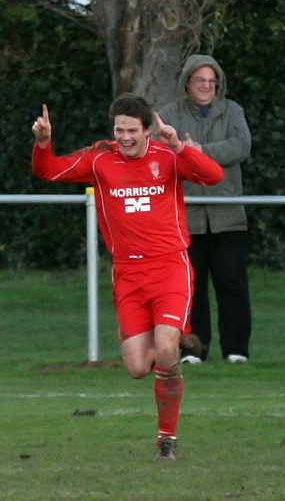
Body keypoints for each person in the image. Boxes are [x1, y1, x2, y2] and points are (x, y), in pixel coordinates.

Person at [31, 94, 224, 460]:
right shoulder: (100, 158)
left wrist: (181, 147)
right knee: (138, 367)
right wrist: (43, 143)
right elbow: (48, 170)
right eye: (119, 129)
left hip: (169, 267)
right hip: (129, 273)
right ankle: (174, 340)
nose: (124, 137)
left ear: (148, 130)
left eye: (132, 130)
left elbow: (214, 176)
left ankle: (166, 438)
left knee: (164, 351)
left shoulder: (167, 156)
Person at [158, 55, 253, 364]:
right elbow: (160, 153)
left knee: (232, 286)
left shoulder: (233, 111)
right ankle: (193, 350)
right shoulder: (168, 115)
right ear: (187, 82)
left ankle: (236, 350)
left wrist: (199, 153)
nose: (206, 86)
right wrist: (185, 153)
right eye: (200, 80)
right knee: (190, 288)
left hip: (228, 217)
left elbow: (241, 147)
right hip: (185, 218)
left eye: (212, 81)